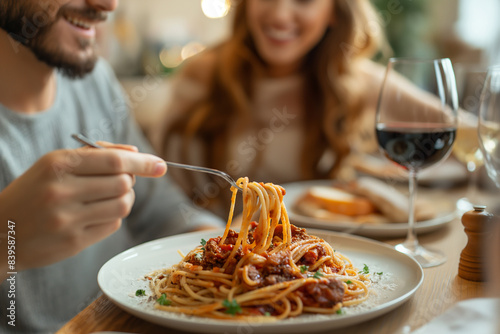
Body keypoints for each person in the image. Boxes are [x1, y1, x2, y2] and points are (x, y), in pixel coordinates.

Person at [0, 0, 222, 333]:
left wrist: (225, 249)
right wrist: (6, 242)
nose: (107, 5)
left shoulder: (96, 81)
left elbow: (161, 211)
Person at [152, 0, 388, 215]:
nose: (280, 15)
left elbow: (423, 129)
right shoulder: (201, 75)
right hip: (208, 244)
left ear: (335, 12)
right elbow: (161, 195)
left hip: (318, 250)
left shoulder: (355, 82)